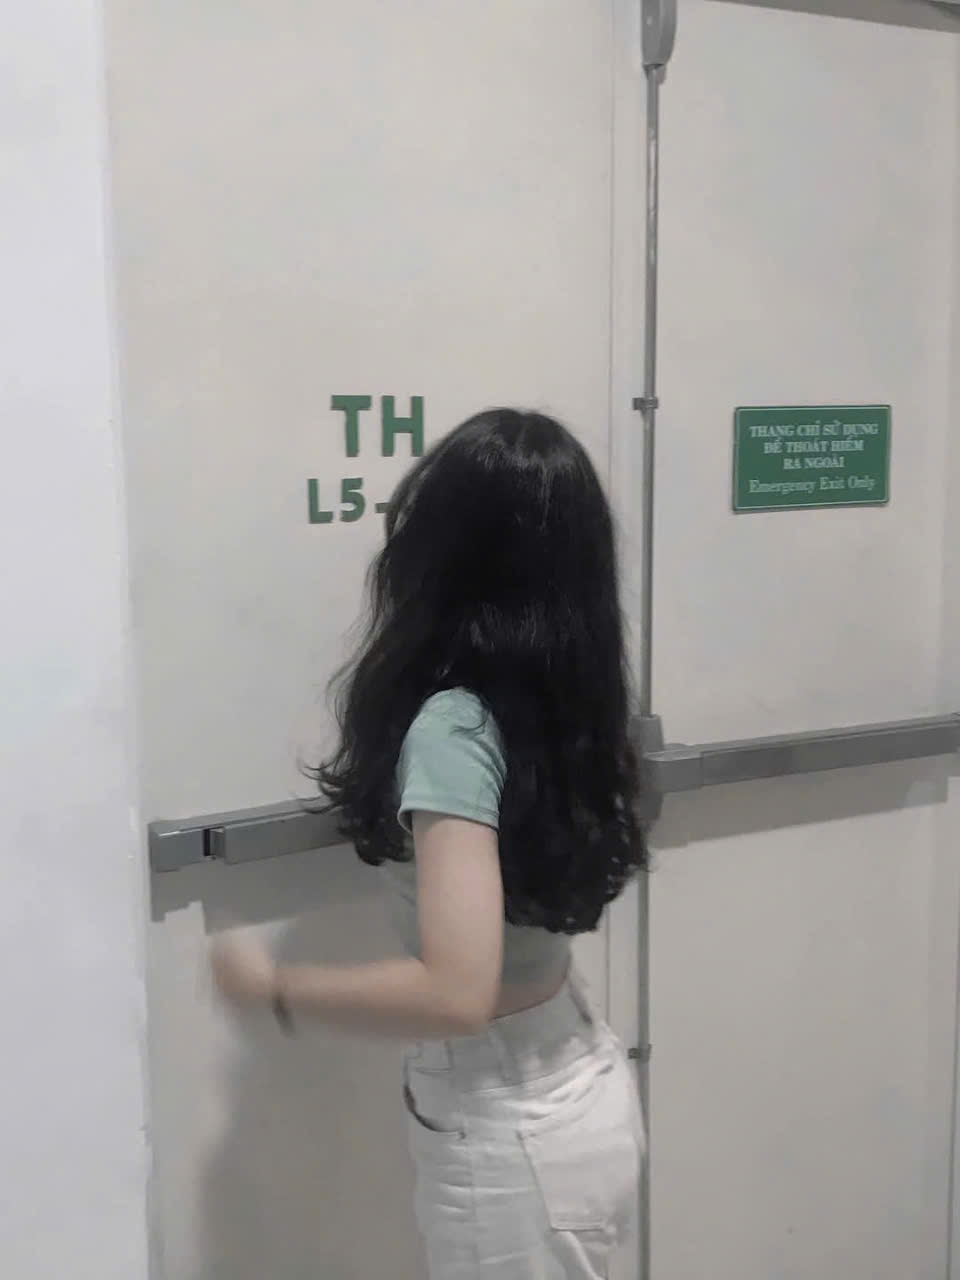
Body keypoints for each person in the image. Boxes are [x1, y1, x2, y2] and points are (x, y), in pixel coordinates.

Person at [211, 408, 648, 1279]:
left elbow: (456, 991)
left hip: (513, 1129)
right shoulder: (566, 696)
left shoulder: (454, 727)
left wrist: (276, 990)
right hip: (578, 1083)